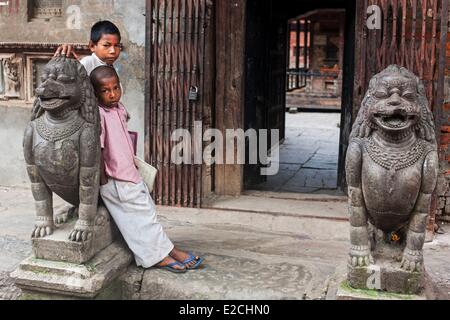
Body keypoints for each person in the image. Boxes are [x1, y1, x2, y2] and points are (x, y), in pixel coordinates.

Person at [90, 65, 204, 273]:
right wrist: (103, 178)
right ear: (95, 93)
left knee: (146, 215)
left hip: (130, 173)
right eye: (105, 91)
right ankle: (163, 255)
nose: (113, 94)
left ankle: (165, 252)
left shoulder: (119, 108)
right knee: (142, 219)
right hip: (116, 178)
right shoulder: (98, 115)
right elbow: (98, 148)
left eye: (116, 88)